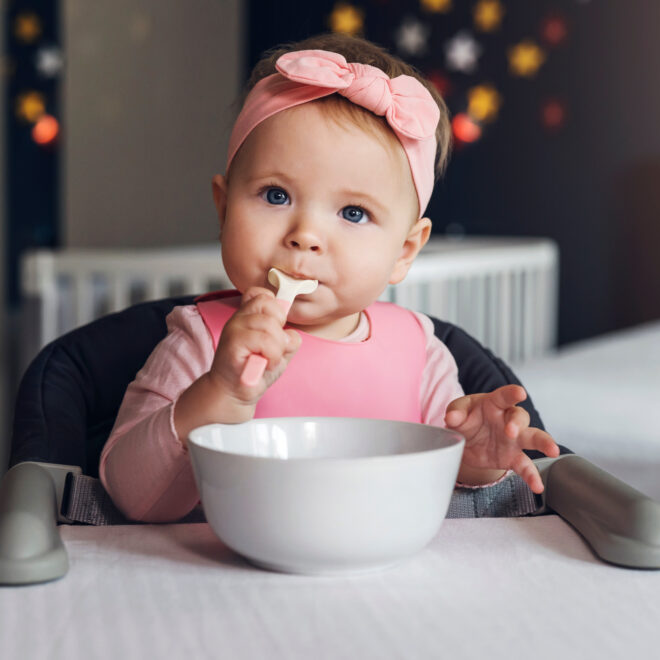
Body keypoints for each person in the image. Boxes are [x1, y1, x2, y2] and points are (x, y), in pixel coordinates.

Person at [100, 33, 559, 522]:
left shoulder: (419, 351)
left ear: (404, 251)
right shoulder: (202, 339)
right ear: (224, 207)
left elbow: (439, 484)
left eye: (354, 213)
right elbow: (129, 497)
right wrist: (219, 394)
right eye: (276, 196)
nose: (306, 236)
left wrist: (476, 461)